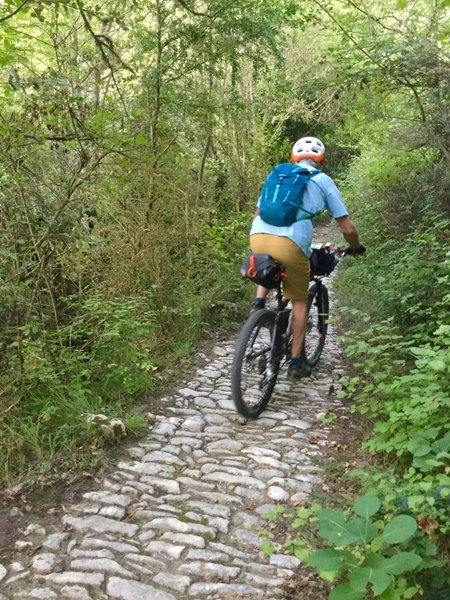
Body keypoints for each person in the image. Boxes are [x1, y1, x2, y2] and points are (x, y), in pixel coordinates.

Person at [249, 136, 365, 381]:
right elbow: (347, 228)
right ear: (321, 160)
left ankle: (258, 306)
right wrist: (356, 247)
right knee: (299, 301)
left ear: (294, 157)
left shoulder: (277, 175)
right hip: (290, 244)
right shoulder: (322, 180)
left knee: (270, 257)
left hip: (257, 236)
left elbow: (259, 212)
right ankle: (297, 362)